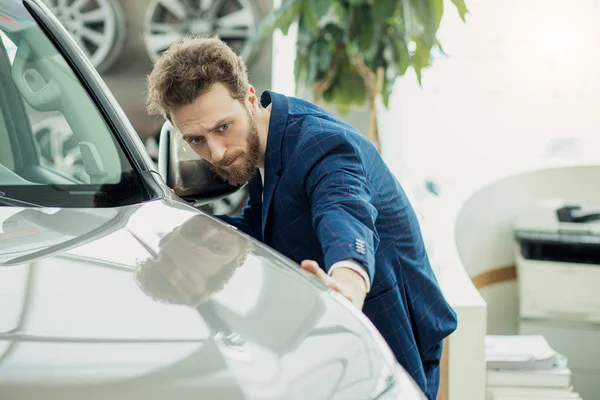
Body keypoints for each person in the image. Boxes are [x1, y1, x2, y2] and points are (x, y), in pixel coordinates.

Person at [145, 36, 458, 399]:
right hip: (332, 337)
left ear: (249, 98)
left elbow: (344, 208)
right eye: (196, 140)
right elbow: (266, 223)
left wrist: (348, 280)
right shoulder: (268, 139)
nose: (215, 152)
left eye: (222, 128)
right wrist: (176, 228)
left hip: (389, 328)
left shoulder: (320, 144)